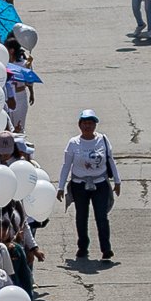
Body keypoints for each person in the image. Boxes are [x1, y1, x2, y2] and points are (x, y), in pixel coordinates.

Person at [57, 110, 121, 263]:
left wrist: (117, 181)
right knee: (81, 216)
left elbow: (110, 160)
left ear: (95, 125)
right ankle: (83, 246)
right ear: (80, 125)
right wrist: (60, 186)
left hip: (100, 184)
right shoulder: (73, 143)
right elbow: (66, 165)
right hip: (80, 185)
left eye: (91, 123)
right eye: (85, 123)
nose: (87, 126)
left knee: (101, 216)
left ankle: (106, 249)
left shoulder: (102, 140)